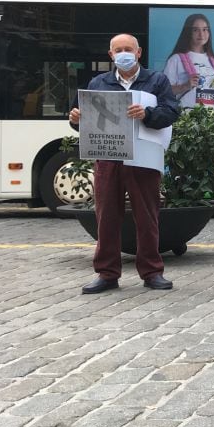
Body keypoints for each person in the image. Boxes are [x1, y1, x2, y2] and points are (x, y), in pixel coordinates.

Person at [69, 34, 179, 294]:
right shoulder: (98, 83)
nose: (123, 53)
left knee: (147, 216)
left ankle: (152, 272)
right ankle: (107, 274)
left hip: (143, 157)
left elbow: (172, 112)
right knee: (106, 216)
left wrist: (147, 114)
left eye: (128, 49)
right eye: (118, 50)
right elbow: (81, 120)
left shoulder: (156, 80)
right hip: (109, 157)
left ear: (138, 52)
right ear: (111, 55)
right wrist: (75, 119)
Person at [163, 14, 214, 110]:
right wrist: (185, 86)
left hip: (211, 117)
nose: (201, 34)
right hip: (185, 117)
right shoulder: (176, 59)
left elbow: (209, 91)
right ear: (188, 32)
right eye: (195, 30)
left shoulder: (213, 61)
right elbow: (164, 91)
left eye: (205, 29)